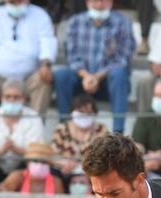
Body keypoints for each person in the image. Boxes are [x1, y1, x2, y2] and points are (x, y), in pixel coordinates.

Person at [0, 0, 57, 115]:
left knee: (44, 81)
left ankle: (34, 124)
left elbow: (47, 40)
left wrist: (45, 65)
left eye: (19, 1)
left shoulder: (40, 15)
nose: (16, 4)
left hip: (29, 78)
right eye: (13, 2)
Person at [55, 0, 134, 132]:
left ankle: (118, 134)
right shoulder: (75, 22)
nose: (99, 5)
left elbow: (123, 58)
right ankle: (66, 128)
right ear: (87, 2)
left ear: (111, 2)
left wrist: (97, 77)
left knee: (120, 75)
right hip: (81, 81)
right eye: (96, 0)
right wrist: (86, 76)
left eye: (104, 1)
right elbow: (72, 56)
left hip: (108, 82)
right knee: (61, 75)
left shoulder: (123, 22)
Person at [50, 92, 107, 183]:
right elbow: (53, 155)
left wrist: (84, 167)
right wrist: (64, 164)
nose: (84, 115)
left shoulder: (101, 130)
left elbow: (105, 157)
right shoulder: (62, 129)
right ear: (72, 112)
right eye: (81, 112)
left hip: (91, 174)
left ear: (94, 113)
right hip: (65, 172)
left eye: (88, 112)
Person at [0, 141, 66, 192]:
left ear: (49, 165)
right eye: (35, 161)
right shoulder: (17, 176)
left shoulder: (56, 182)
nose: (40, 165)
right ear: (28, 163)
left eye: (44, 162)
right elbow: (3, 195)